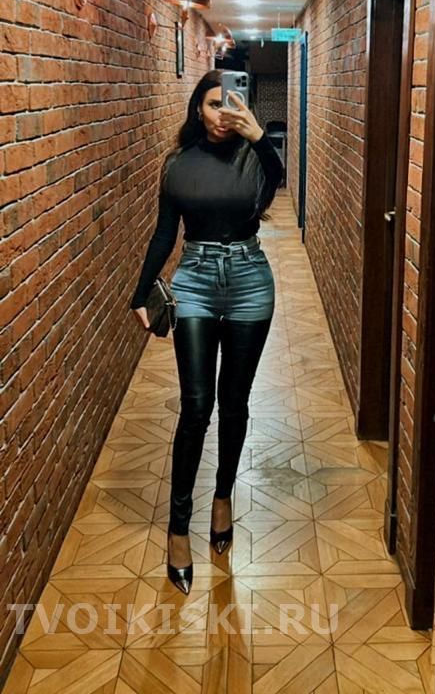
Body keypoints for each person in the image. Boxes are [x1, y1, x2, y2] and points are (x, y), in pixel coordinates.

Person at [130, 69, 283, 594]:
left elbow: (275, 181)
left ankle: (222, 498)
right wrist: (140, 293)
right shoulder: (178, 164)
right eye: (214, 104)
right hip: (194, 279)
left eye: (231, 103)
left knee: (234, 402)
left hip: (249, 279)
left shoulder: (254, 158)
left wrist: (258, 137)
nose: (222, 113)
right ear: (198, 107)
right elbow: (163, 233)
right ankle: (178, 527)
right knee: (196, 405)